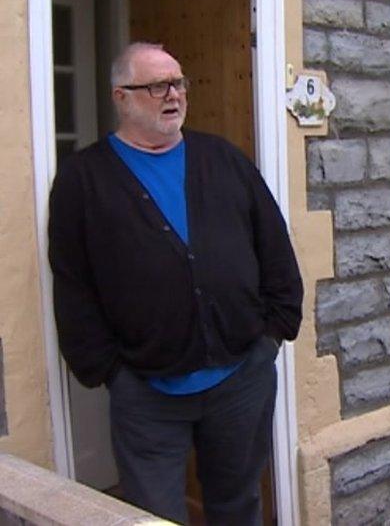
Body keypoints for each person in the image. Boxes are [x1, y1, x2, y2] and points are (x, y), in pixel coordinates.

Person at [48, 42, 303, 525]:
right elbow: (73, 284)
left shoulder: (223, 159)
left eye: (179, 82)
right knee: (153, 516)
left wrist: (273, 333)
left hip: (240, 379)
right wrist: (109, 371)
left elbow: (274, 245)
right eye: (157, 85)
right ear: (121, 97)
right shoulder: (84, 178)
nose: (174, 94)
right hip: (145, 392)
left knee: (238, 504)